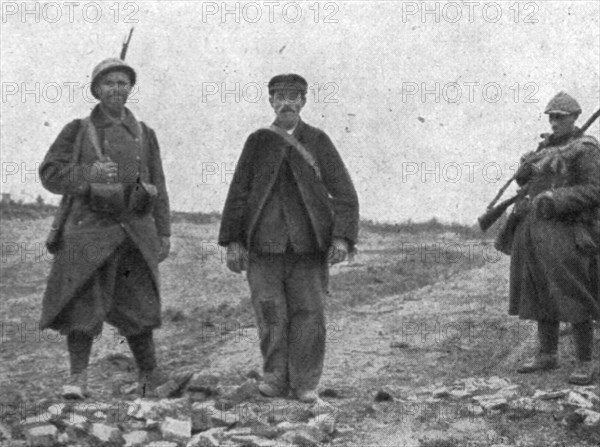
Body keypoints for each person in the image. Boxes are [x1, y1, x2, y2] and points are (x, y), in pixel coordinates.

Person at [218, 74, 359, 402]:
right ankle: (275, 377)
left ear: (304, 101)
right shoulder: (257, 141)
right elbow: (238, 192)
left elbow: (344, 193)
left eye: (293, 96)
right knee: (269, 312)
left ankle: (305, 383)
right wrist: (233, 242)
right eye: (279, 96)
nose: (286, 102)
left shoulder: (318, 140)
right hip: (263, 246)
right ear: (270, 101)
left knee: (309, 313)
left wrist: (341, 238)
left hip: (308, 246)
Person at [39, 57, 172, 398]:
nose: (116, 88)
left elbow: (159, 184)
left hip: (135, 232)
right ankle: (77, 379)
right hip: (90, 231)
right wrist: (88, 176)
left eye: (123, 83)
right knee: (82, 304)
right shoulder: (79, 129)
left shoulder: (146, 133)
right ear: (97, 90)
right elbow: (50, 173)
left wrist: (164, 232)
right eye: (109, 83)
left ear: (130, 89)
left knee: (140, 307)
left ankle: (149, 377)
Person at [509, 92, 600, 385]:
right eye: (551, 116)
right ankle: (548, 353)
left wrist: (556, 198)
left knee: (573, 292)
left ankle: (585, 361)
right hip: (535, 229)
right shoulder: (545, 148)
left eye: (560, 117)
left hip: (567, 231)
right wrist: (523, 172)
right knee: (537, 289)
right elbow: (529, 181)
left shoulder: (585, 150)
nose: (554, 121)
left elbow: (594, 190)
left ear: (575, 118)